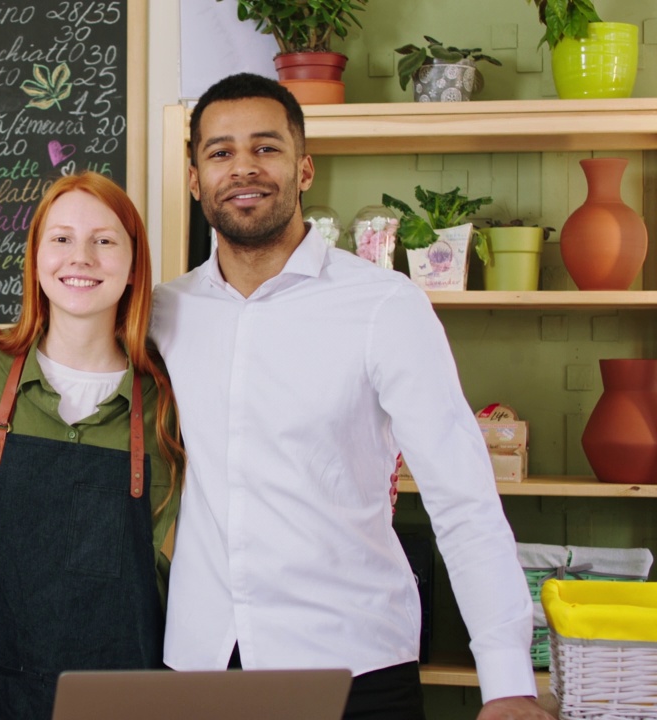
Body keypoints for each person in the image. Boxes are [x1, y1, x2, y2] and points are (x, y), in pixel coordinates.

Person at [150, 73, 552, 720]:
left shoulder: (384, 306)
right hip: (199, 664)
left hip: (353, 668)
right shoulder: (162, 315)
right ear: (195, 177)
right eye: (220, 152)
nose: (244, 167)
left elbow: (463, 500)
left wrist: (507, 682)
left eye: (267, 147)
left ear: (304, 168)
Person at [0, 172, 185, 720]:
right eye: (60, 239)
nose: (80, 257)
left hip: (127, 686)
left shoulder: (170, 392)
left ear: (133, 266)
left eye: (104, 240)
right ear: (36, 258)